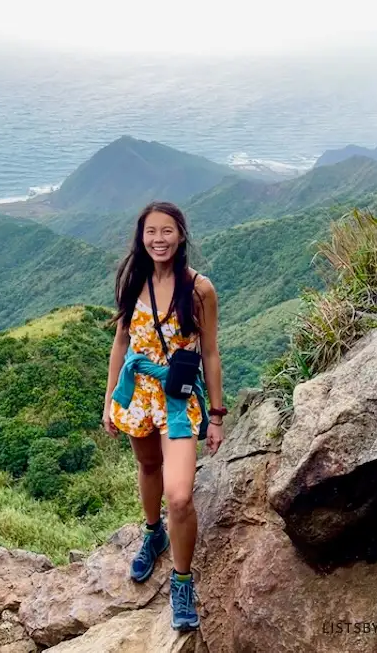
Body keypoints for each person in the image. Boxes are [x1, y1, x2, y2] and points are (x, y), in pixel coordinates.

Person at [102, 201, 226, 632]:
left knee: (180, 496)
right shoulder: (132, 280)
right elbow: (121, 343)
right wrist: (109, 401)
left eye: (167, 231)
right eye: (151, 231)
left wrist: (216, 414)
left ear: (181, 235)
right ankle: (153, 532)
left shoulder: (198, 289)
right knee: (147, 465)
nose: (159, 239)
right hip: (137, 393)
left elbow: (209, 352)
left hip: (177, 398)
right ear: (141, 237)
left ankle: (182, 579)